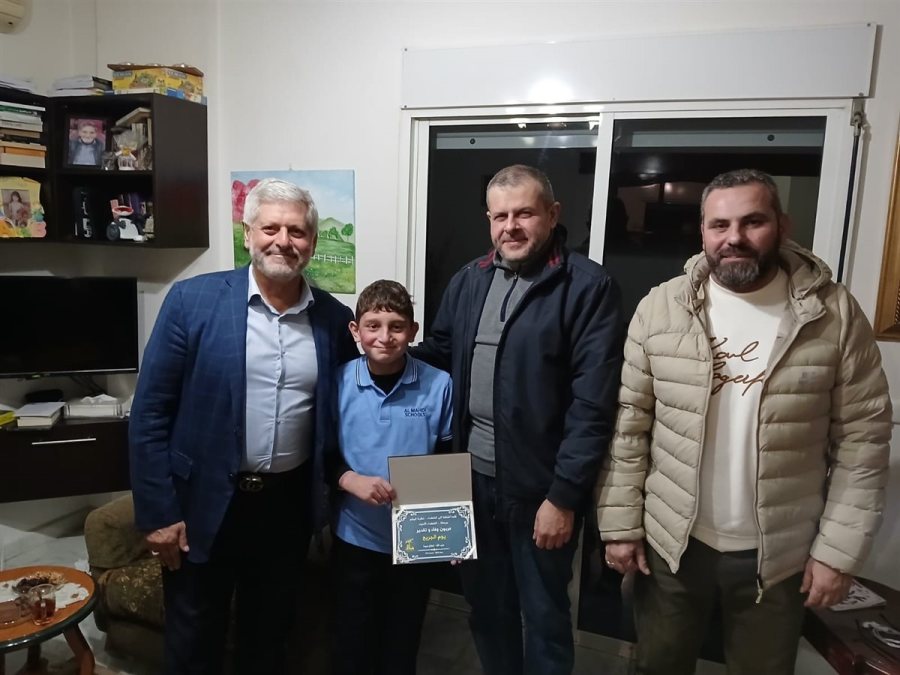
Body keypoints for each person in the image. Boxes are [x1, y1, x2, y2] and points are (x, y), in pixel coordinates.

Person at [596, 168, 892, 675]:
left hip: (779, 556)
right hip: (671, 546)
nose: (734, 237)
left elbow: (863, 441)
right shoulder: (661, 308)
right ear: (703, 232)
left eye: (752, 221)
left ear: (781, 225)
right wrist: (620, 526)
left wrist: (837, 554)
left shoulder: (834, 314)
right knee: (656, 666)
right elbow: (630, 427)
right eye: (719, 224)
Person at [129, 178, 358, 675]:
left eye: (296, 231)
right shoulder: (191, 301)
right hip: (201, 505)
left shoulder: (334, 320)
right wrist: (157, 513)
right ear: (248, 234)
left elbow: (345, 412)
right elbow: (150, 414)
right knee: (194, 642)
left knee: (268, 640)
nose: (283, 241)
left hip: (286, 510)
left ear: (312, 242)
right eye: (270, 228)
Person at [414, 164, 624, 675]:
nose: (511, 226)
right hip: (467, 482)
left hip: (539, 492)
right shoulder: (469, 279)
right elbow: (439, 355)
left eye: (524, 213)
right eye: (499, 216)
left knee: (545, 618)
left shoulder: (587, 286)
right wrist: (380, 355)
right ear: (489, 220)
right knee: (487, 611)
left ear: (552, 214)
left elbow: (593, 406)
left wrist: (563, 498)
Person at [329, 279, 453, 675]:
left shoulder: (439, 385)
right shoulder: (337, 382)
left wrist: (452, 528)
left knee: (402, 642)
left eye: (397, 326)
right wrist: (348, 479)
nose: (385, 337)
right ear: (356, 331)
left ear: (413, 331)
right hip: (355, 537)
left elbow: (447, 455)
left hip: (415, 541)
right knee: (352, 643)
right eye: (373, 326)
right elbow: (322, 450)